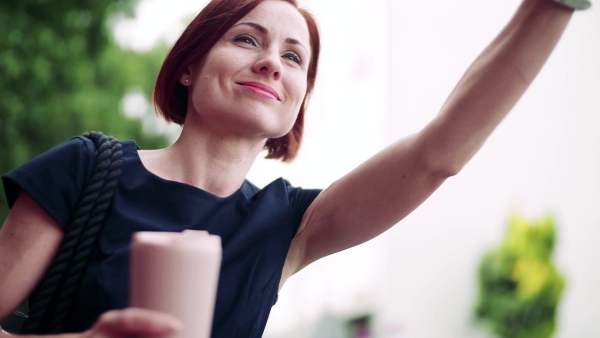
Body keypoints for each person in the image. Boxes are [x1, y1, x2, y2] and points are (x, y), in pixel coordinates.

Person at [0, 0, 589, 336]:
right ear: (187, 66)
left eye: (292, 56)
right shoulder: (86, 170)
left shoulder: (288, 225)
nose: (270, 63)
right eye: (246, 39)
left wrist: (558, 4)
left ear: (298, 100)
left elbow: (440, 153)